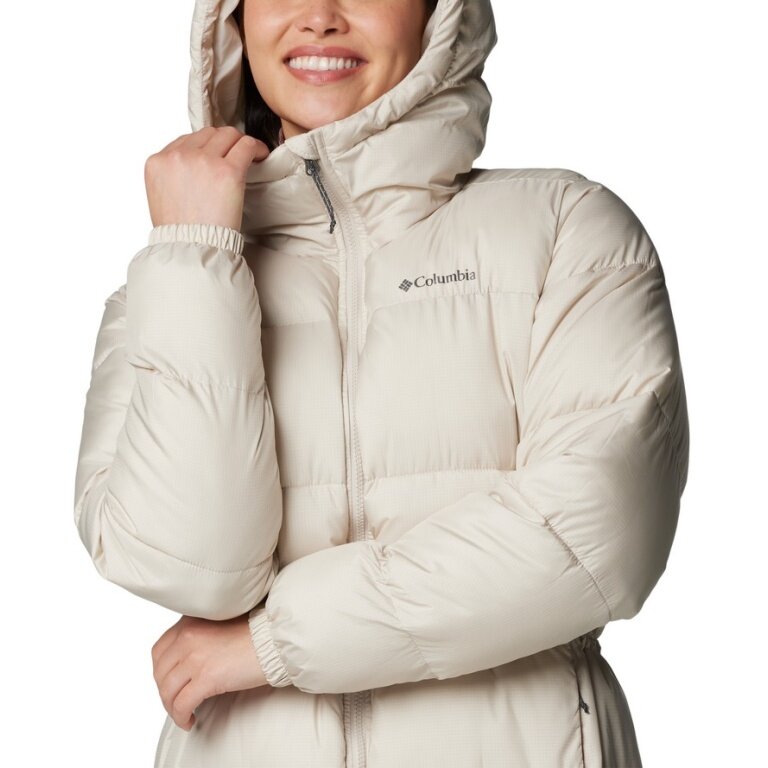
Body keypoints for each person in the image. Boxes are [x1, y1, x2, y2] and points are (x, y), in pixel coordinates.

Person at [72, 0, 690, 765]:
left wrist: (275, 643)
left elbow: (597, 533)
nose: (318, 16)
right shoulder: (172, 283)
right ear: (232, 21)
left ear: (439, 15)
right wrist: (196, 252)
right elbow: (194, 568)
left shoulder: (566, 228)